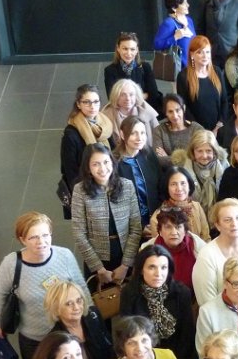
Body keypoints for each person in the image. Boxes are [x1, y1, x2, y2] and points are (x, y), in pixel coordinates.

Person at [0, 212, 88, 359]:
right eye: (33, 237)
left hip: (66, 334)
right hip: (34, 338)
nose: (41, 242)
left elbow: (81, 286)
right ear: (22, 240)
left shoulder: (65, 256)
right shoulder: (11, 264)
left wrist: (88, 316)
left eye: (45, 235)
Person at [119, 245, 198, 359]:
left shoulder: (181, 293)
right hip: (142, 358)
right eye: (152, 267)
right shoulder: (129, 294)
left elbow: (187, 335)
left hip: (178, 358)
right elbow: (127, 334)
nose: (158, 274)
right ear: (141, 269)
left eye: (163, 268)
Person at [71, 143, 142, 281]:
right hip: (97, 258)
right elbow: (79, 233)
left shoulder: (127, 186)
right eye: (96, 164)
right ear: (88, 167)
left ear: (112, 162)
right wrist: (99, 269)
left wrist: (126, 265)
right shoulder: (80, 190)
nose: (102, 168)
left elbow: (136, 228)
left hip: (126, 254)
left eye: (106, 162)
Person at [192, 198, 238, 305]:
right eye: (227, 220)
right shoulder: (207, 255)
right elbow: (206, 302)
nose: (234, 223)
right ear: (217, 225)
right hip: (222, 318)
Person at [61, 85, 114, 218]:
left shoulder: (105, 124)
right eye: (87, 102)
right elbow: (70, 170)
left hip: (108, 180)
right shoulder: (71, 133)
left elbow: (114, 154)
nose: (92, 106)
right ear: (78, 104)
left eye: (96, 102)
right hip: (87, 187)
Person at [45, 281, 112, 359]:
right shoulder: (55, 340)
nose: (76, 307)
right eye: (68, 304)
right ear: (56, 309)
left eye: (79, 300)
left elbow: (109, 345)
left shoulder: (93, 315)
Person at [112, 115, 163, 227]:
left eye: (142, 133)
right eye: (134, 133)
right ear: (122, 134)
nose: (139, 138)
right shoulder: (114, 161)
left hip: (156, 220)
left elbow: (160, 186)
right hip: (129, 224)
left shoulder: (149, 155)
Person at [106, 31, 164, 120]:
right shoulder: (110, 70)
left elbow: (153, 94)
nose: (129, 53)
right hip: (122, 116)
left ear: (137, 50)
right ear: (118, 49)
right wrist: (142, 95)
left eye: (132, 49)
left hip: (144, 113)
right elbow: (112, 97)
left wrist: (125, 97)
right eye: (125, 48)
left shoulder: (145, 67)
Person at [147, 207, 205, 292]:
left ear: (185, 231)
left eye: (178, 227)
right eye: (168, 227)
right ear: (160, 231)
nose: (174, 232)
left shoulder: (199, 248)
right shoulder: (147, 250)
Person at [177, 36, 228, 133]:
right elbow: (184, 107)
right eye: (200, 52)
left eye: (207, 52)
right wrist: (200, 131)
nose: (205, 56)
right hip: (196, 131)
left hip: (219, 130)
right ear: (192, 54)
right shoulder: (183, 76)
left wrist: (218, 127)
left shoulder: (217, 71)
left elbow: (225, 101)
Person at [149, 167, 210, 241]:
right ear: (166, 188)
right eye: (173, 184)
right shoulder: (157, 217)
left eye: (183, 183)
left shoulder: (196, 206)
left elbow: (206, 238)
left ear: (189, 186)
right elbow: (160, 248)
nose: (179, 188)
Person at [179, 128, 228, 209]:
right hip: (194, 212)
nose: (204, 156)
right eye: (199, 151)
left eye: (208, 151)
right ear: (193, 151)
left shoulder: (224, 165)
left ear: (214, 151)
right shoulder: (183, 168)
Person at [152, 0, 196, 81]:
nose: (188, 5)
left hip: (194, 66)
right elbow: (157, 44)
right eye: (184, 3)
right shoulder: (169, 23)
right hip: (181, 70)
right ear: (174, 8)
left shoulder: (189, 20)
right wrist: (175, 37)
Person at [103, 78, 159, 144]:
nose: (128, 98)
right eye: (123, 95)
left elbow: (158, 136)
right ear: (116, 96)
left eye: (131, 94)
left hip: (145, 152)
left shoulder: (147, 111)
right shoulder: (105, 116)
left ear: (136, 96)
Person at [153, 94, 204, 162]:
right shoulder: (159, 131)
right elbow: (159, 160)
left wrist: (167, 157)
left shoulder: (196, 129)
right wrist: (189, 158)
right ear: (165, 113)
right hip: (169, 172)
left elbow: (202, 156)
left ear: (184, 108)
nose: (175, 116)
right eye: (170, 111)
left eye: (178, 110)